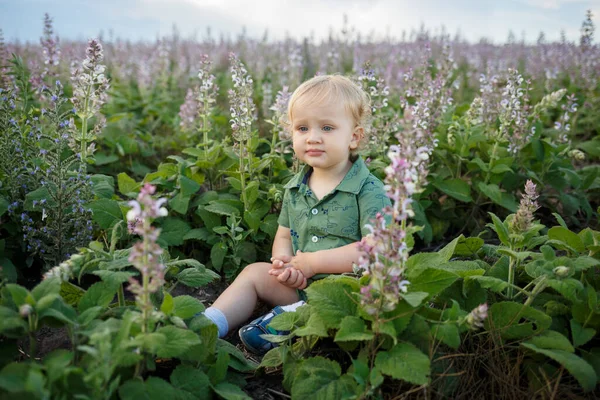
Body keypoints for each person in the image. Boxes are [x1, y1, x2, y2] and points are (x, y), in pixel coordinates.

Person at [202, 74, 391, 354]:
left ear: (354, 137)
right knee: (254, 273)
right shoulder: (294, 188)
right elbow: (283, 234)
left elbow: (377, 248)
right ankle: (209, 324)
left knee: (353, 297)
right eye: (302, 128)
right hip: (301, 284)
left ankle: (284, 326)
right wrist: (285, 263)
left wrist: (314, 263)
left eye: (327, 128)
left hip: (347, 290)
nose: (313, 138)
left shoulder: (369, 190)